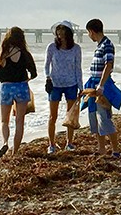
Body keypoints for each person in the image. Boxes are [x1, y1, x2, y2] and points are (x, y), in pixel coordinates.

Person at [0, 27, 38, 158]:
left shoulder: (3, 54)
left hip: (6, 88)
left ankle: (5, 142)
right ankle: (15, 151)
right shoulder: (25, 54)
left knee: (4, 121)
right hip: (22, 88)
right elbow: (34, 73)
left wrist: (5, 80)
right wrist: (25, 79)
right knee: (19, 122)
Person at [83, 19, 121, 157]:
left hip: (102, 86)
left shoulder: (107, 45)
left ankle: (116, 150)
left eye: (88, 32)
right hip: (93, 86)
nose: (88, 35)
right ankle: (101, 148)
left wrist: (101, 85)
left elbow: (108, 65)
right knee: (94, 116)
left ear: (92, 31)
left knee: (104, 118)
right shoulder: (99, 46)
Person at [44, 21, 83, 154]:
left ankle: (69, 143)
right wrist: (48, 77)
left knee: (70, 115)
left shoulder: (76, 48)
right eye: (58, 31)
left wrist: (81, 86)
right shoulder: (52, 47)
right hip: (55, 84)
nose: (60, 34)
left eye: (62, 31)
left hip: (71, 84)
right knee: (52, 116)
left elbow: (78, 68)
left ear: (69, 33)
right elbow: (46, 65)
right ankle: (51, 144)